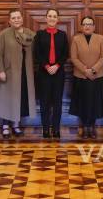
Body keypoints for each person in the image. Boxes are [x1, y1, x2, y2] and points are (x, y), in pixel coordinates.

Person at [0, 9, 36, 138]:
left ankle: (16, 125)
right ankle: (5, 126)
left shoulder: (30, 34)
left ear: (22, 19)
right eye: (13, 18)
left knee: (20, 99)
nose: (16, 20)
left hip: (25, 72)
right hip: (9, 72)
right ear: (9, 21)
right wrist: (1, 70)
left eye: (18, 17)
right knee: (6, 99)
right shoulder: (4, 34)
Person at [69, 16, 103, 139]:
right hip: (81, 76)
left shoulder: (100, 38)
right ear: (81, 26)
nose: (87, 26)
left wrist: (93, 70)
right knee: (83, 103)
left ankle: (92, 127)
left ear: (94, 27)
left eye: (89, 24)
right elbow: (73, 57)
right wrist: (85, 70)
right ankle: (85, 127)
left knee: (95, 103)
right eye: (85, 24)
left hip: (97, 76)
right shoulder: (76, 39)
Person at [34, 9, 69, 139]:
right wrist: (47, 66)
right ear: (46, 18)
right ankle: (45, 129)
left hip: (58, 73)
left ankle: (56, 129)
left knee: (57, 102)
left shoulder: (62, 35)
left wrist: (57, 66)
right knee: (45, 102)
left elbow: (65, 53)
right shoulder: (39, 34)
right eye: (50, 16)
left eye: (54, 16)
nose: (52, 18)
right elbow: (37, 53)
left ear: (57, 19)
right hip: (43, 73)